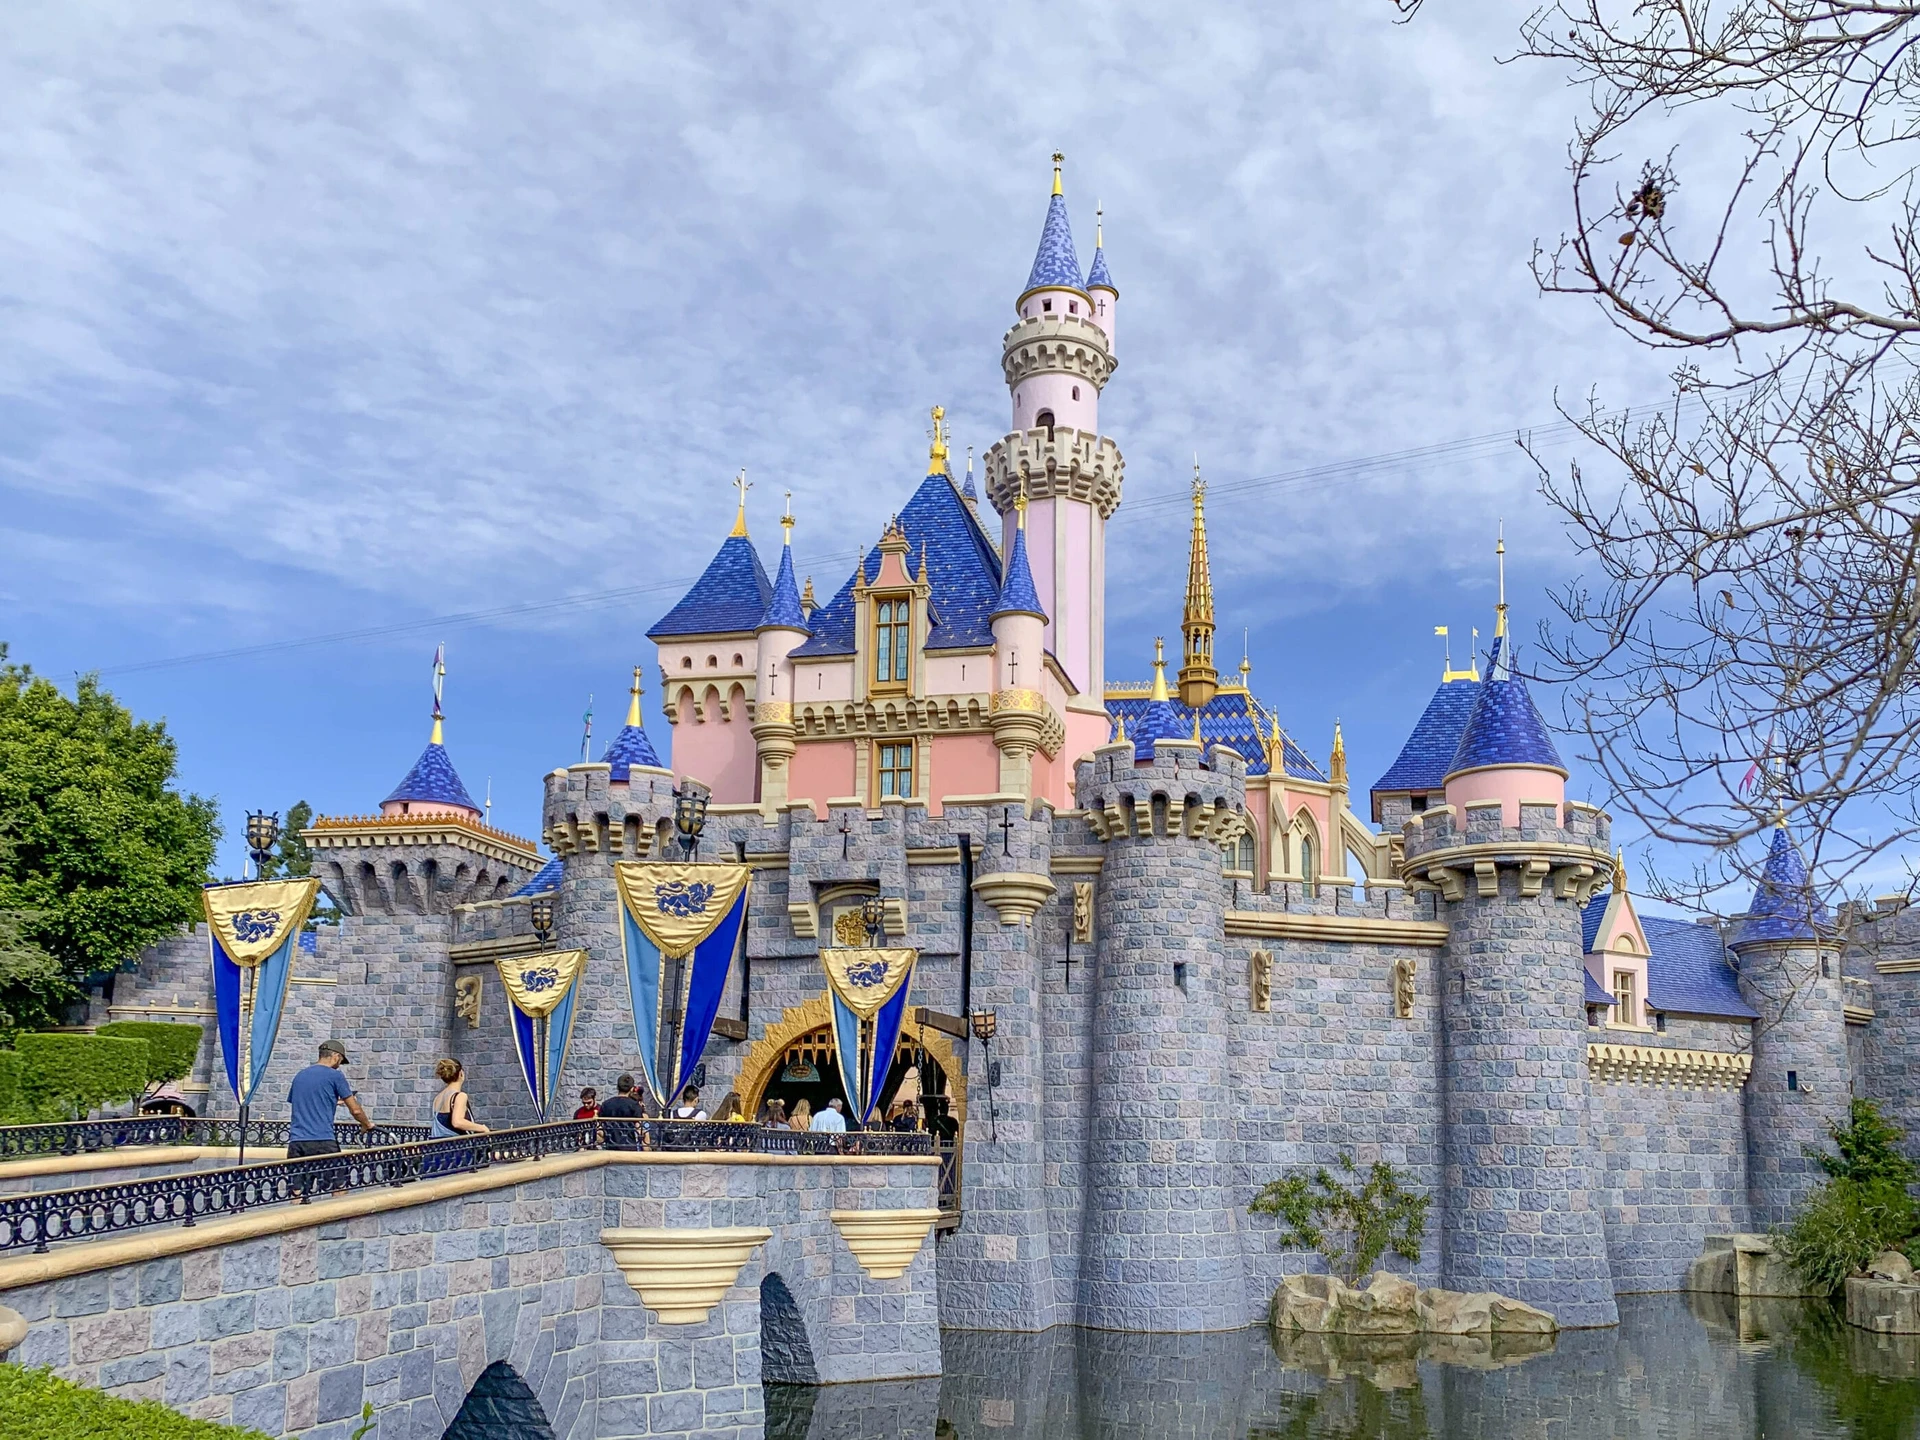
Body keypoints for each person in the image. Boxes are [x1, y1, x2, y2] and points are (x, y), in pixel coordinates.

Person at [287, 1040, 372, 1200]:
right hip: (323, 1141)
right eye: (340, 1060)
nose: (339, 1065)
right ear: (335, 1056)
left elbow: (304, 1102)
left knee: (296, 1193)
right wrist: (366, 1124)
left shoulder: (300, 1076)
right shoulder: (335, 1076)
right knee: (338, 1188)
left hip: (297, 1141)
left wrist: (332, 1101)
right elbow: (355, 1109)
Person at [429, 1059, 489, 1139]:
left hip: (437, 1146)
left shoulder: (438, 1098)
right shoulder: (460, 1096)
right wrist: (482, 1128)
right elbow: (457, 1122)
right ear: (461, 1073)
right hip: (454, 1147)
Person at [598, 1074, 644, 1151]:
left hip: (610, 1145)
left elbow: (599, 1126)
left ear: (617, 1087)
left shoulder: (606, 1104)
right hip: (629, 1145)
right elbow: (639, 1127)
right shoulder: (634, 1105)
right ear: (632, 1089)